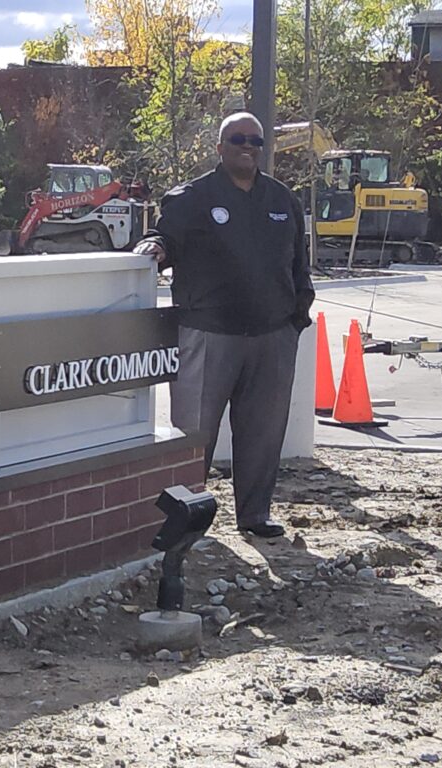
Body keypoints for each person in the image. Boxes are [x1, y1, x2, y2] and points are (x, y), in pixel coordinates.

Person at [134, 112, 315, 538]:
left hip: (272, 336)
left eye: (256, 140)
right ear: (220, 147)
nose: (248, 147)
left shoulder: (282, 200)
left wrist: (297, 317)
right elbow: (167, 239)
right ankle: (184, 521)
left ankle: (254, 516)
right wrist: (155, 247)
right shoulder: (192, 197)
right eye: (238, 139)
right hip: (208, 333)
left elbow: (298, 265)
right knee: (194, 435)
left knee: (263, 434)